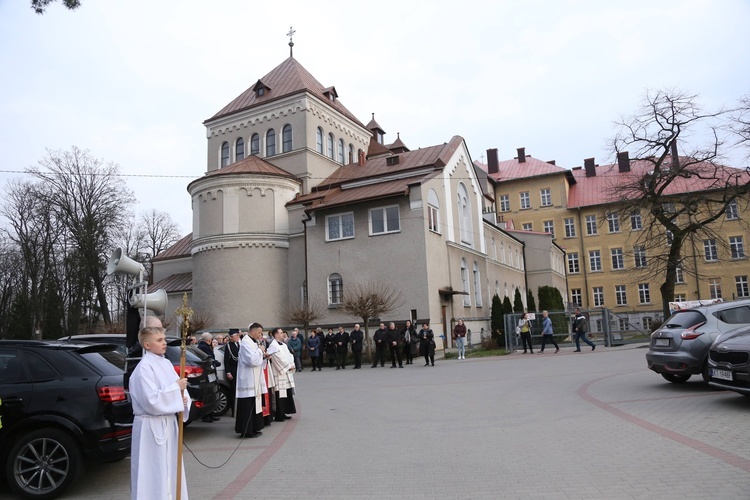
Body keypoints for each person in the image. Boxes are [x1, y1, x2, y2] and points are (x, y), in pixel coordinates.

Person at [129, 319, 191, 500]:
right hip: (150, 428)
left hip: (168, 425)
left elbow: (178, 390)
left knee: (170, 469)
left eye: (164, 339)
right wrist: (176, 389)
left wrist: (184, 398)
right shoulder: (143, 369)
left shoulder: (164, 363)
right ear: (147, 345)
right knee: (152, 471)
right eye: (159, 340)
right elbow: (151, 400)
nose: (164, 343)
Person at [235, 322, 267, 438]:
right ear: (252, 332)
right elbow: (251, 360)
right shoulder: (245, 343)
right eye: (259, 332)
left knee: (255, 404)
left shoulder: (253, 342)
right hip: (248, 379)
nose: (260, 335)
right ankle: (246, 430)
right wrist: (260, 351)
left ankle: (254, 427)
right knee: (248, 405)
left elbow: (258, 360)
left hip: (254, 379)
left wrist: (263, 355)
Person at [267, 327, 297, 421]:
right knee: (280, 394)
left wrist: (292, 364)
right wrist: (288, 366)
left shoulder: (283, 345)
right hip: (279, 373)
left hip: (286, 372)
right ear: (276, 335)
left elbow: (290, 355)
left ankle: (284, 412)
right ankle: (278, 415)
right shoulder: (273, 346)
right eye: (280, 333)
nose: (283, 334)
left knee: (286, 393)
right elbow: (279, 359)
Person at [196, 332, 220, 422]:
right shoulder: (204, 347)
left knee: (211, 394)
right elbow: (208, 359)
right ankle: (207, 416)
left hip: (209, 372)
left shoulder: (203, 346)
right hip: (207, 373)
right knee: (208, 394)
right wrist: (215, 363)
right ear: (209, 340)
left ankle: (211, 414)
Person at [223, 329, 241, 416]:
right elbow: (226, 360)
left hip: (241, 370)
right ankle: (234, 410)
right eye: (236, 336)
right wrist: (228, 372)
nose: (237, 337)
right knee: (233, 391)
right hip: (233, 370)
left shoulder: (240, 345)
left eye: (238, 335)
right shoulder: (228, 346)